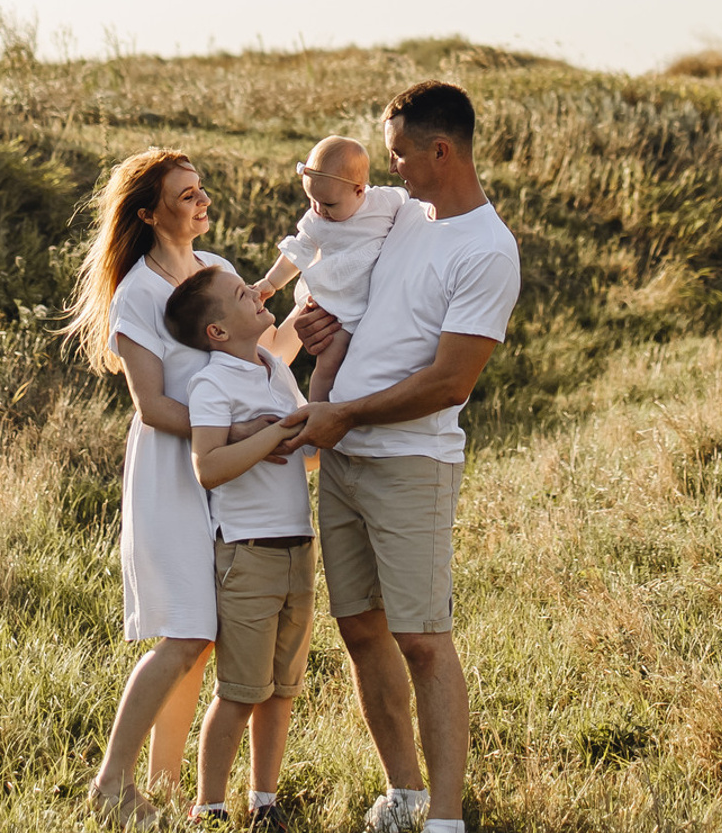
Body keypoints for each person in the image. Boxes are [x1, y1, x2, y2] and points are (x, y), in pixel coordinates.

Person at [285, 81, 521, 833]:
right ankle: (406, 794)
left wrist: (341, 413)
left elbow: (448, 382)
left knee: (421, 636)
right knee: (360, 631)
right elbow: (346, 269)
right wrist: (326, 334)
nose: (391, 167)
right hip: (345, 455)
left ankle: (445, 820)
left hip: (409, 462)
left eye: (399, 153)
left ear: (440, 151)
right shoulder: (401, 215)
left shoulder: (487, 250)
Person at [62, 149, 304, 827]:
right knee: (183, 631)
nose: (201, 201)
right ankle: (112, 784)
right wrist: (234, 436)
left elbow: (252, 366)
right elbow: (151, 405)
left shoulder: (219, 272)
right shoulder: (137, 293)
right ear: (148, 212)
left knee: (208, 637)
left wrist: (296, 330)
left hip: (230, 477)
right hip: (173, 471)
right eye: (185, 194)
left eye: (201, 189)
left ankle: (168, 785)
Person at [166, 266, 319, 828]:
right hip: (248, 552)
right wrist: (270, 434)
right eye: (239, 295)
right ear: (217, 333)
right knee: (240, 691)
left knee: (281, 690)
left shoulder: (276, 368)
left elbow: (305, 453)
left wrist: (307, 426)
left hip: (298, 547)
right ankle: (208, 806)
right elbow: (207, 467)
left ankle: (265, 803)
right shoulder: (213, 383)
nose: (255, 293)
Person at [255, 135, 409, 402]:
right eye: (312, 200)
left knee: (372, 365)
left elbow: (414, 207)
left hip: (378, 302)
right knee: (328, 365)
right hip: (337, 305)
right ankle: (318, 412)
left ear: (359, 190)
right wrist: (271, 282)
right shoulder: (318, 219)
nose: (319, 209)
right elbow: (299, 250)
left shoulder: (386, 203)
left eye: (329, 204)